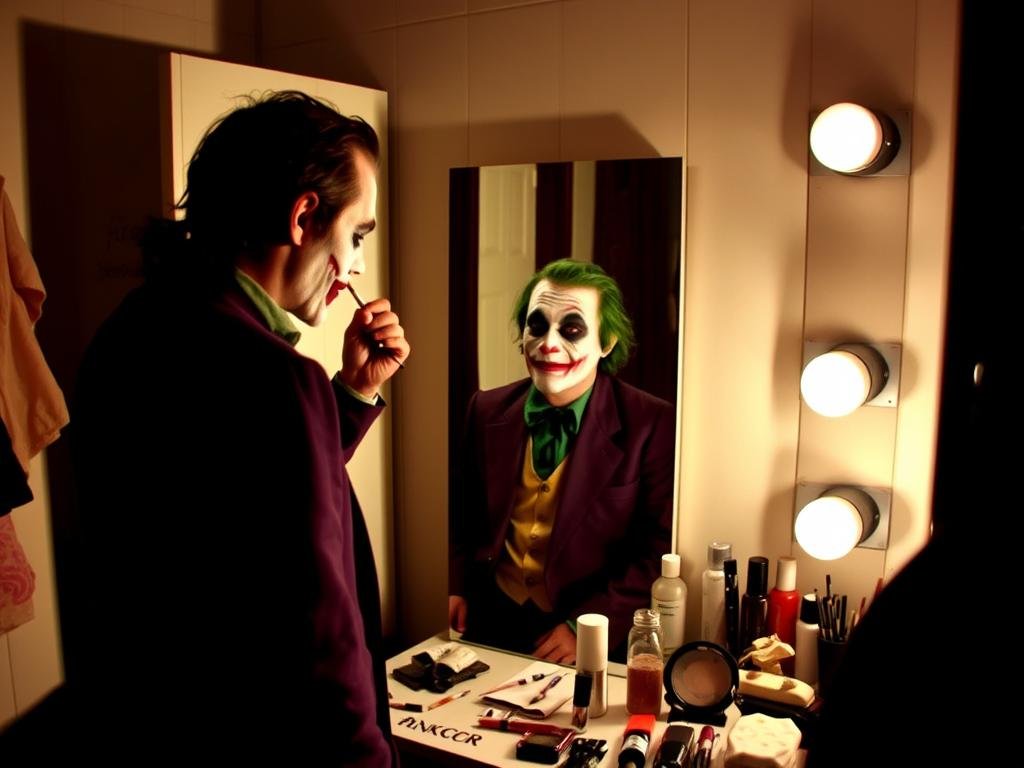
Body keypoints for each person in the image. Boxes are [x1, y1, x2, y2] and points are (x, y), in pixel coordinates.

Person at [66, 91, 408, 763]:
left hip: (155, 722)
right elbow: (322, 641)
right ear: (306, 215)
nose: (358, 265)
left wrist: (351, 394)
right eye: (358, 234)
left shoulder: (132, 328)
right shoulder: (275, 378)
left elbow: (238, 506)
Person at [448, 259, 674, 663]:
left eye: (571, 330)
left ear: (606, 343)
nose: (548, 343)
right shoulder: (484, 409)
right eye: (537, 325)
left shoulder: (651, 423)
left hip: (583, 633)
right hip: (490, 621)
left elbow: (656, 551)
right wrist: (456, 586)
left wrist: (586, 627)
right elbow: (462, 513)